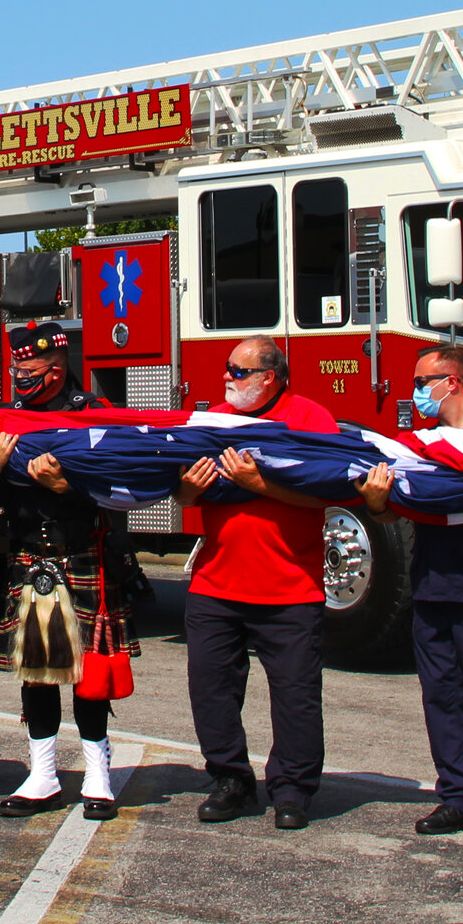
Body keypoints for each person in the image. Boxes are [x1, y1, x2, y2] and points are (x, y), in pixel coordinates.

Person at [360, 344, 463, 839]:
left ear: (452, 382)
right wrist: (376, 504)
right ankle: (456, 796)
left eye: (421, 383)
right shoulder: (419, 445)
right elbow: (399, 511)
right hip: (431, 592)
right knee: (442, 699)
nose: (415, 393)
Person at [176, 334, 339, 830]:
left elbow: (328, 495)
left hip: (290, 588)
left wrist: (259, 485)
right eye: (228, 369)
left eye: (238, 370)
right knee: (211, 691)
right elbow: (183, 497)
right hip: (216, 586)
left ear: (270, 376)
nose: (226, 377)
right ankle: (231, 781)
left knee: (295, 696)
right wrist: (188, 489)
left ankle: (292, 790)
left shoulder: (309, 420)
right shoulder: (213, 422)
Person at [0, 321, 139, 820]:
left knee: (90, 677)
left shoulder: (94, 415)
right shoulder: (8, 417)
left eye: (28, 370)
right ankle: (43, 776)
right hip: (30, 555)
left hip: (83, 553)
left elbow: (119, 489)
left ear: (56, 367)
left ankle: (98, 776)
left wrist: (62, 488)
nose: (20, 378)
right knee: (38, 674)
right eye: (16, 370)